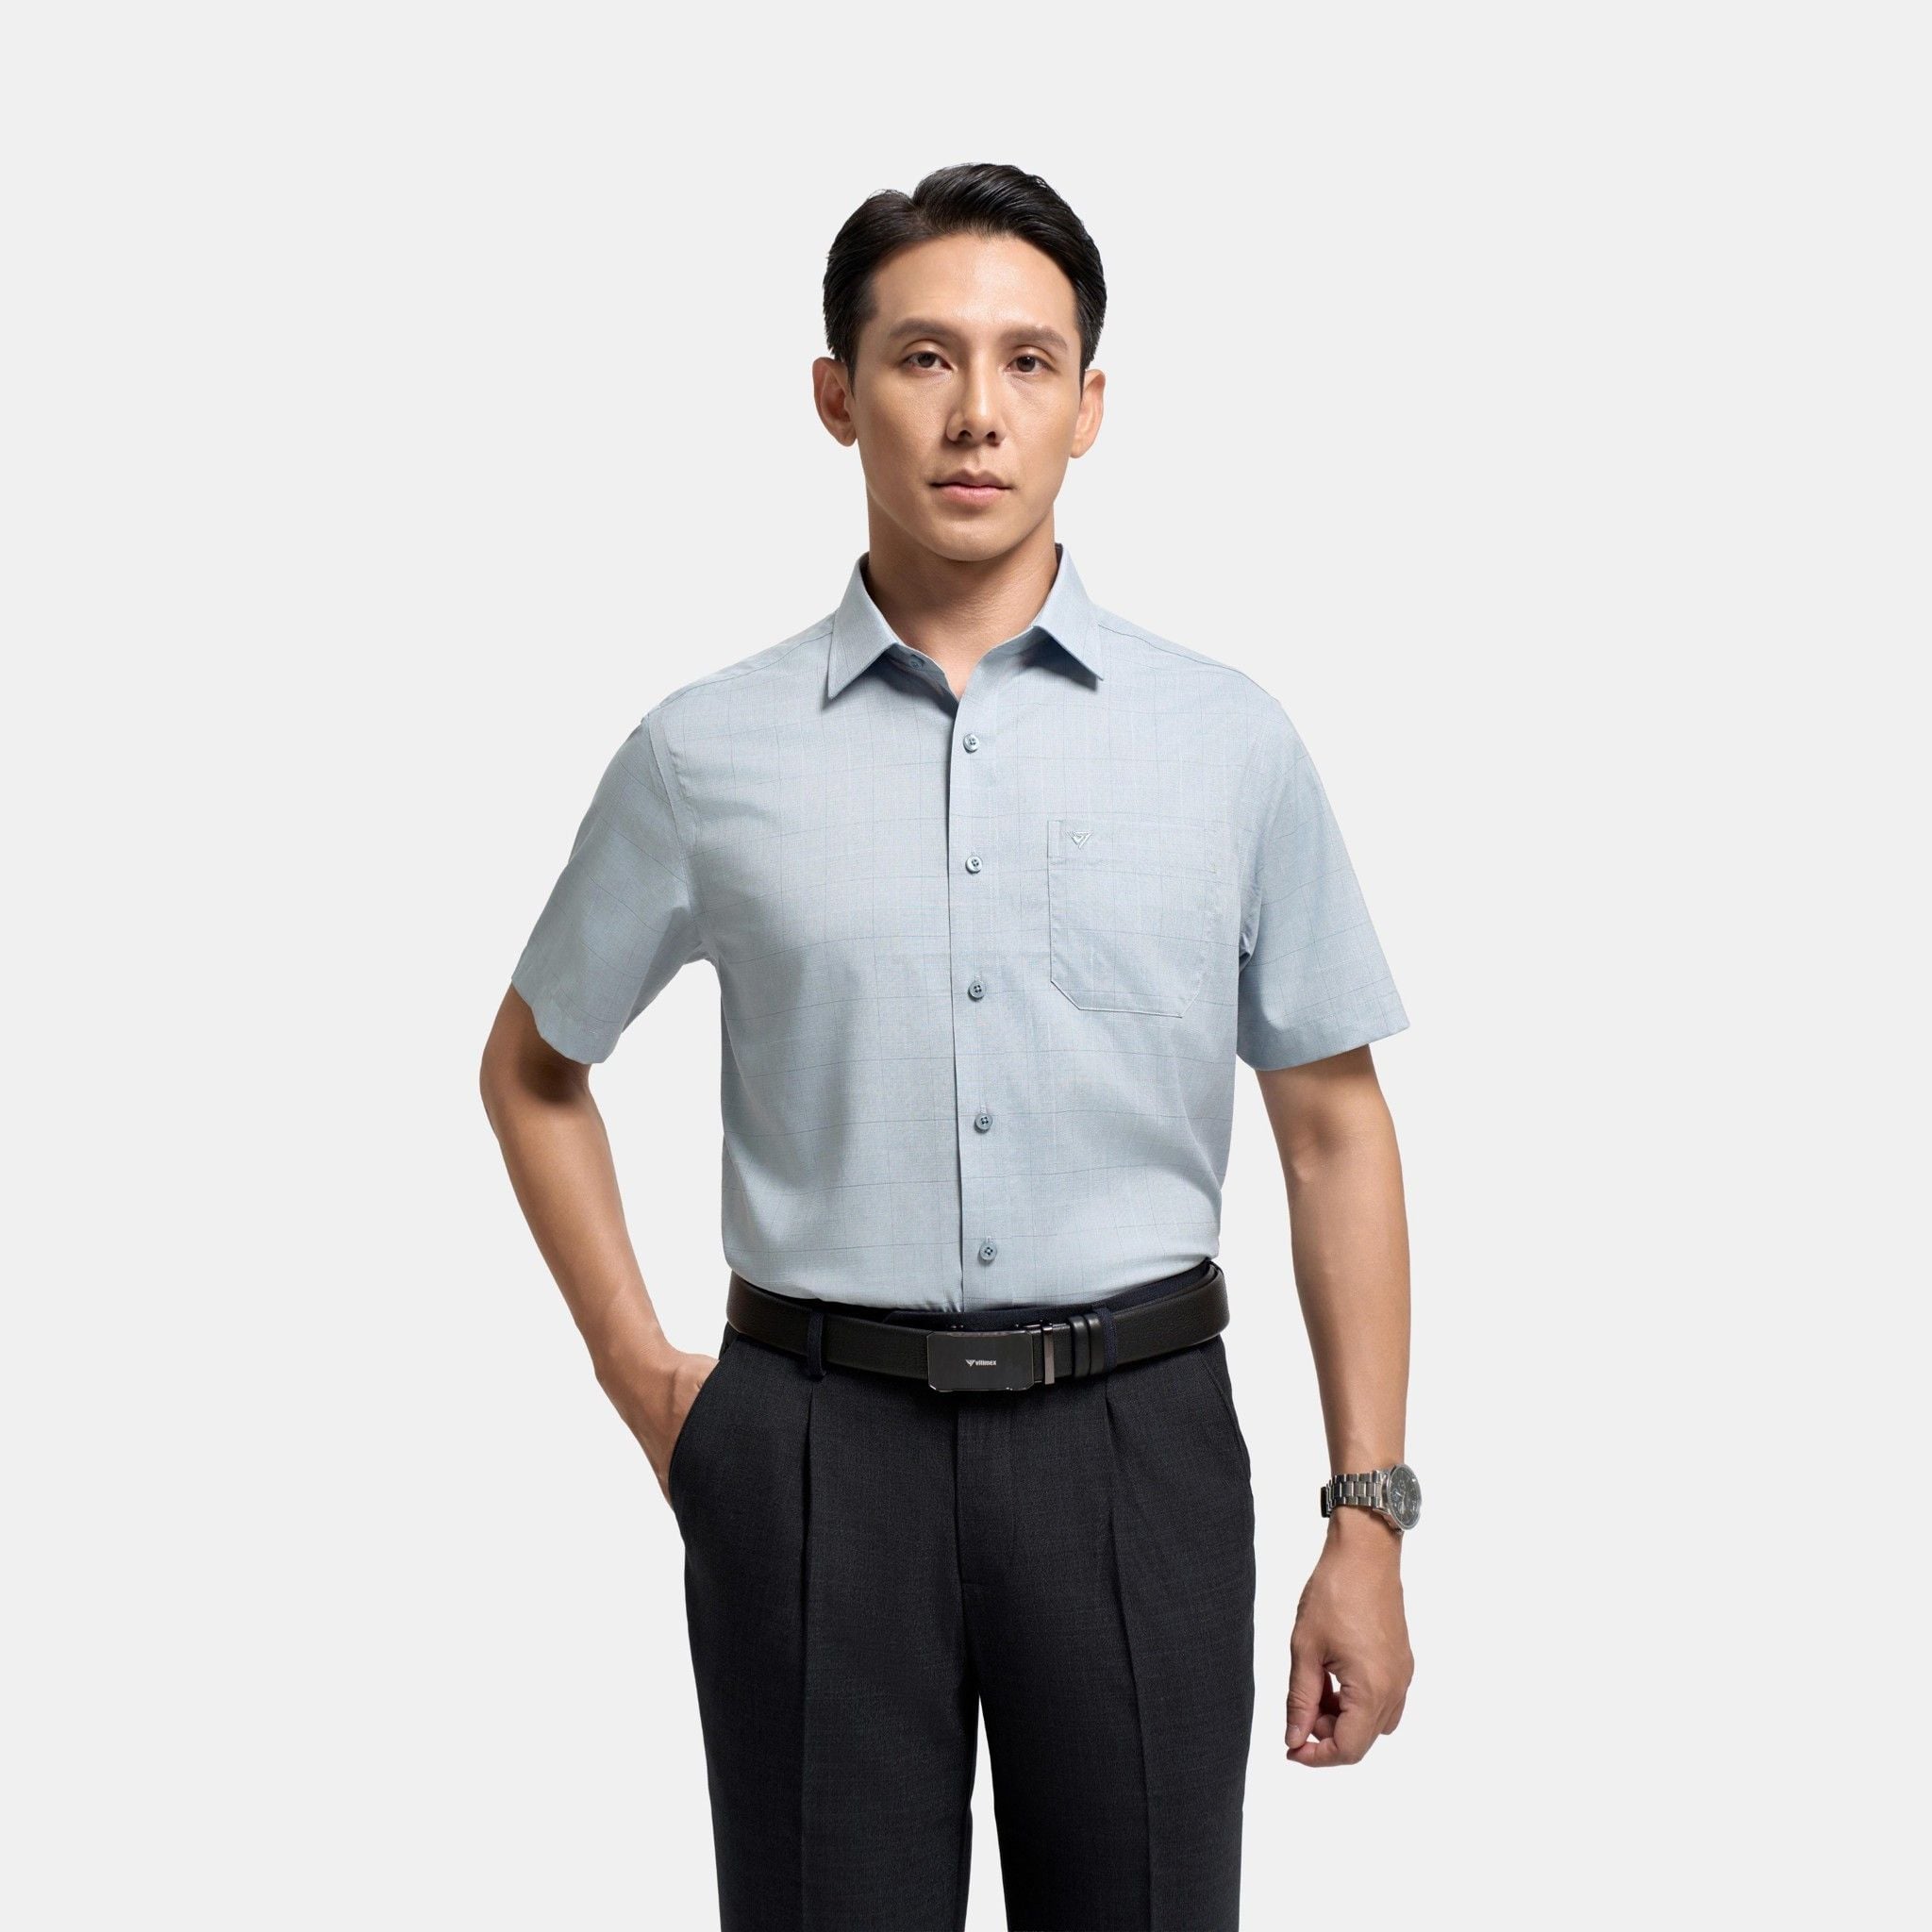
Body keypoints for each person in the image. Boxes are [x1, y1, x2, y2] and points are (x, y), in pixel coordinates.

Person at [479, 160, 1418, 1932]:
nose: (978, 412)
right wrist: (648, 1380)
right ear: (837, 395)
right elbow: (533, 1069)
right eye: (923, 357)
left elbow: (1332, 1129)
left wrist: (1364, 1515)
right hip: (812, 1455)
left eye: (1028, 361)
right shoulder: (703, 754)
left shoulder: (1228, 742)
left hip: (1138, 1445)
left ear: (1090, 404)